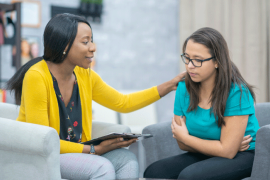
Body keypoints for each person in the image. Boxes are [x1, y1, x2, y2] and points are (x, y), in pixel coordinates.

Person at [6, 13, 185, 180]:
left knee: (128, 161)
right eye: (85, 42)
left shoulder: (85, 75)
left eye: (92, 40)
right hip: (46, 157)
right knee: (101, 167)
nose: (93, 47)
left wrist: (169, 86)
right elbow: (44, 141)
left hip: (80, 151)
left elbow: (123, 103)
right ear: (65, 46)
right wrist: (94, 150)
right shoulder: (36, 76)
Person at [144, 27, 259, 180]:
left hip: (244, 154)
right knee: (153, 172)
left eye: (198, 60)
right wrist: (220, 148)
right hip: (208, 152)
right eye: (187, 58)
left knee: (189, 176)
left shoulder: (237, 92)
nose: (190, 65)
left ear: (217, 61)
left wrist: (187, 138)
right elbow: (182, 144)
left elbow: (227, 152)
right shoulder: (183, 88)